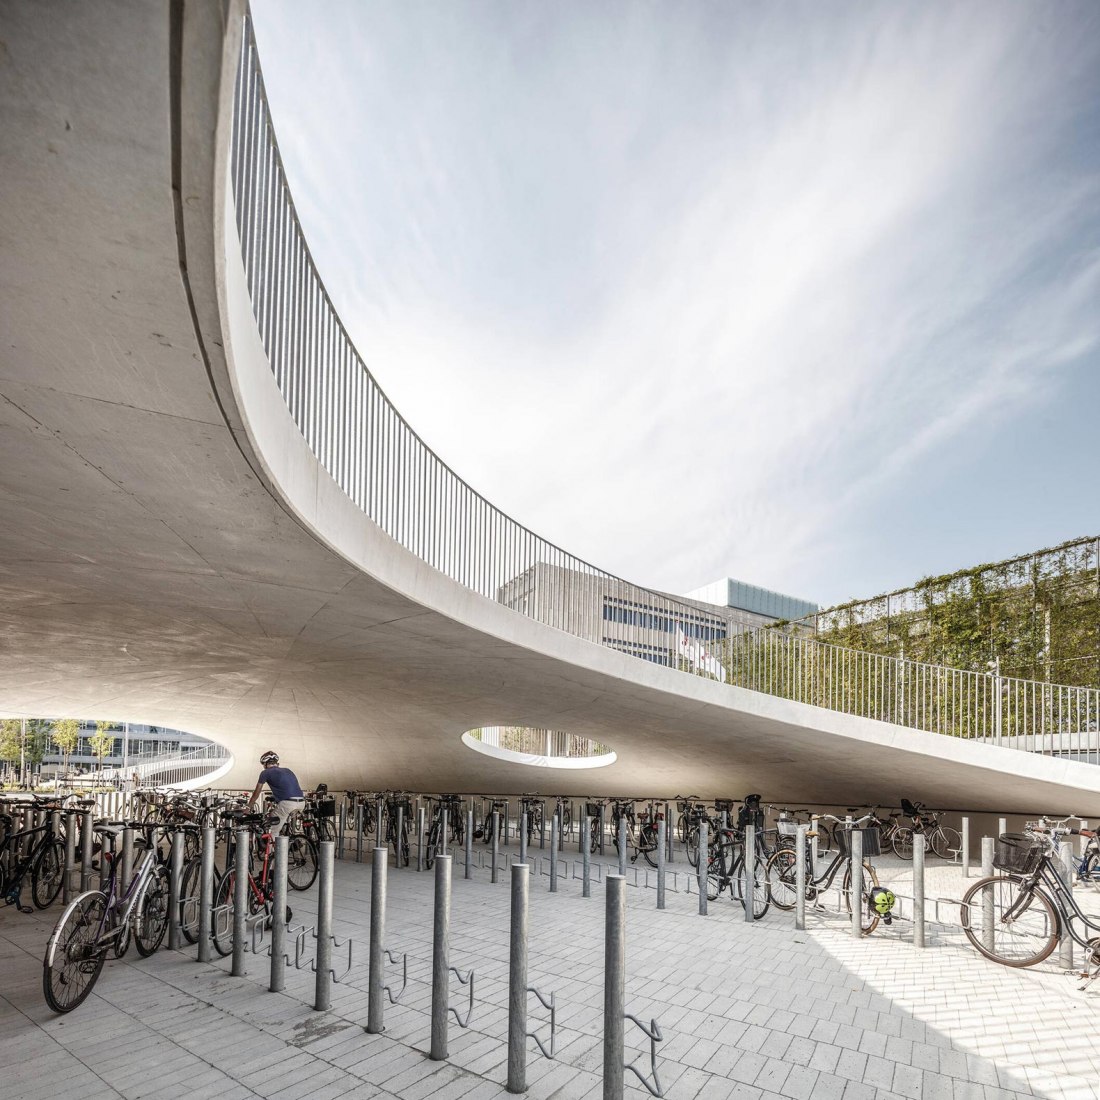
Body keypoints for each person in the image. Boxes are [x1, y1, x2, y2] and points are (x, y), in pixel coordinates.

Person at [247, 751, 305, 834]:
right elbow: (288, 788)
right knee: (280, 817)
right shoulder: (288, 770)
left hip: (287, 804)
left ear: (265, 764)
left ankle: (273, 846)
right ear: (277, 763)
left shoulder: (265, 773)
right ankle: (290, 838)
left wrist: (248, 807)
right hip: (301, 803)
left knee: (271, 830)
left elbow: (256, 793)